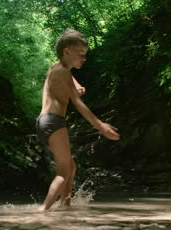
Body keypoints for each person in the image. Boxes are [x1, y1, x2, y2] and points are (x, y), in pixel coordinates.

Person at [36, 29, 120, 211]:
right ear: (67, 52)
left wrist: (77, 85)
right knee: (63, 173)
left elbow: (69, 78)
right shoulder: (63, 72)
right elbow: (78, 104)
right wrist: (101, 126)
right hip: (54, 121)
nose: (84, 58)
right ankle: (43, 210)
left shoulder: (56, 68)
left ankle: (65, 205)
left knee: (71, 168)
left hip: (45, 121)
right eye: (81, 54)